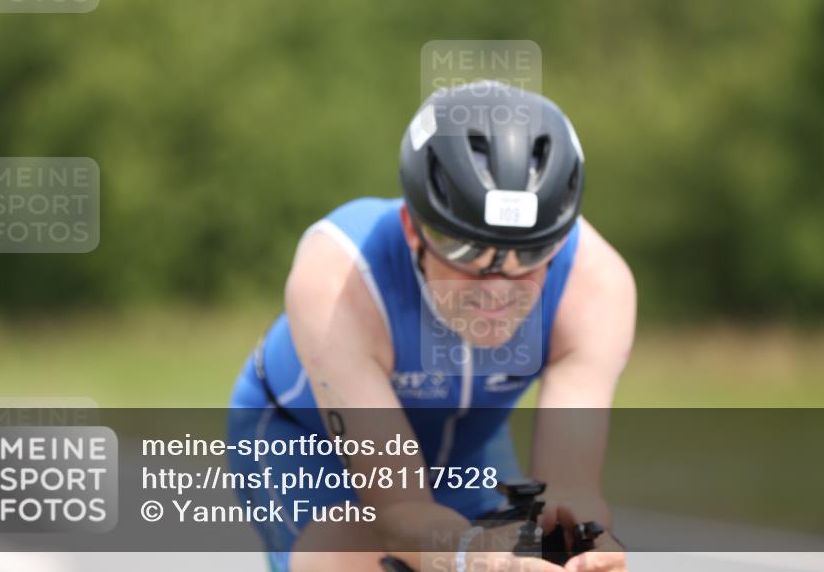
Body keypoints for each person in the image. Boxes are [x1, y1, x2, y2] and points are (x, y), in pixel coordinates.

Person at [229, 81, 636, 572]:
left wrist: (576, 544)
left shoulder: (594, 283)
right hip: (306, 443)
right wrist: (474, 557)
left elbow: (570, 489)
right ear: (411, 229)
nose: (497, 289)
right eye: (466, 252)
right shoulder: (340, 279)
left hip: (466, 445)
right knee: (351, 558)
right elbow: (398, 513)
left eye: (530, 255)